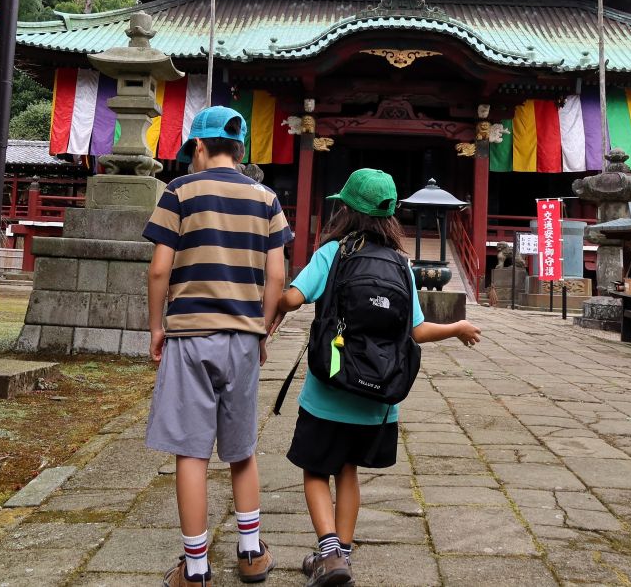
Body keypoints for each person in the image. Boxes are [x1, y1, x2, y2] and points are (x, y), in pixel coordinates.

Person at [277, 169, 481, 587]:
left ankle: (329, 553)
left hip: (327, 390)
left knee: (316, 471)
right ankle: (342, 557)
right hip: (378, 397)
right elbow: (418, 332)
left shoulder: (333, 252)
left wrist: (274, 296)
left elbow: (292, 299)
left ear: (346, 210)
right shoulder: (400, 264)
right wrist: (457, 327)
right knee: (348, 470)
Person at [144, 105, 292, 587]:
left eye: (193, 152)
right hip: (243, 339)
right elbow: (277, 276)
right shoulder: (266, 198)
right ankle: (250, 553)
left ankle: (197, 567)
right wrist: (261, 330)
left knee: (191, 453)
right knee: (242, 448)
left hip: (189, 334)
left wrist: (155, 327)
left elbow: (159, 269)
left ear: (201, 148)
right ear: (242, 149)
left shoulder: (179, 192)